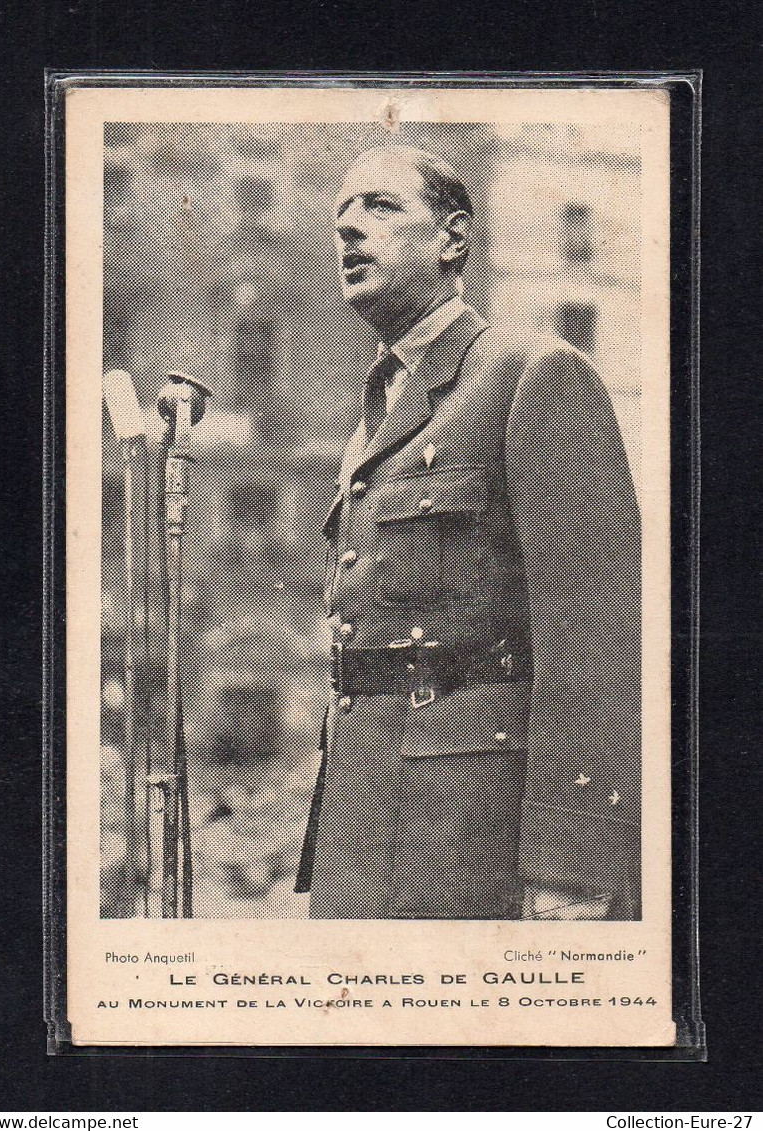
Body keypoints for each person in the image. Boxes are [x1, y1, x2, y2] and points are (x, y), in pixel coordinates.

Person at [295, 145, 641, 920]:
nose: (349, 229)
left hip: (469, 841)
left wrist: (572, 862)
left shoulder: (532, 374)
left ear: (454, 238)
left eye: (379, 207)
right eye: (340, 215)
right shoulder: (377, 412)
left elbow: (598, 637)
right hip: (362, 835)